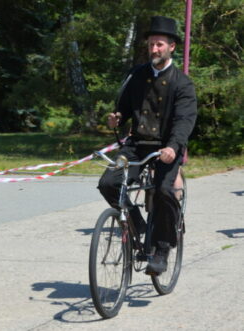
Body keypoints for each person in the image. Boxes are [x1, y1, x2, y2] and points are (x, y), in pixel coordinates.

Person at [98, 16, 197, 275]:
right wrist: (117, 118)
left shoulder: (182, 83)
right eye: (151, 44)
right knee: (109, 183)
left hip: (165, 148)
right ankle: (137, 223)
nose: (154, 49)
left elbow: (184, 120)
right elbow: (124, 107)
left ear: (171, 47)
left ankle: (162, 248)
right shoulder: (136, 75)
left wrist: (174, 147)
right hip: (137, 145)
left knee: (164, 192)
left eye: (160, 44)